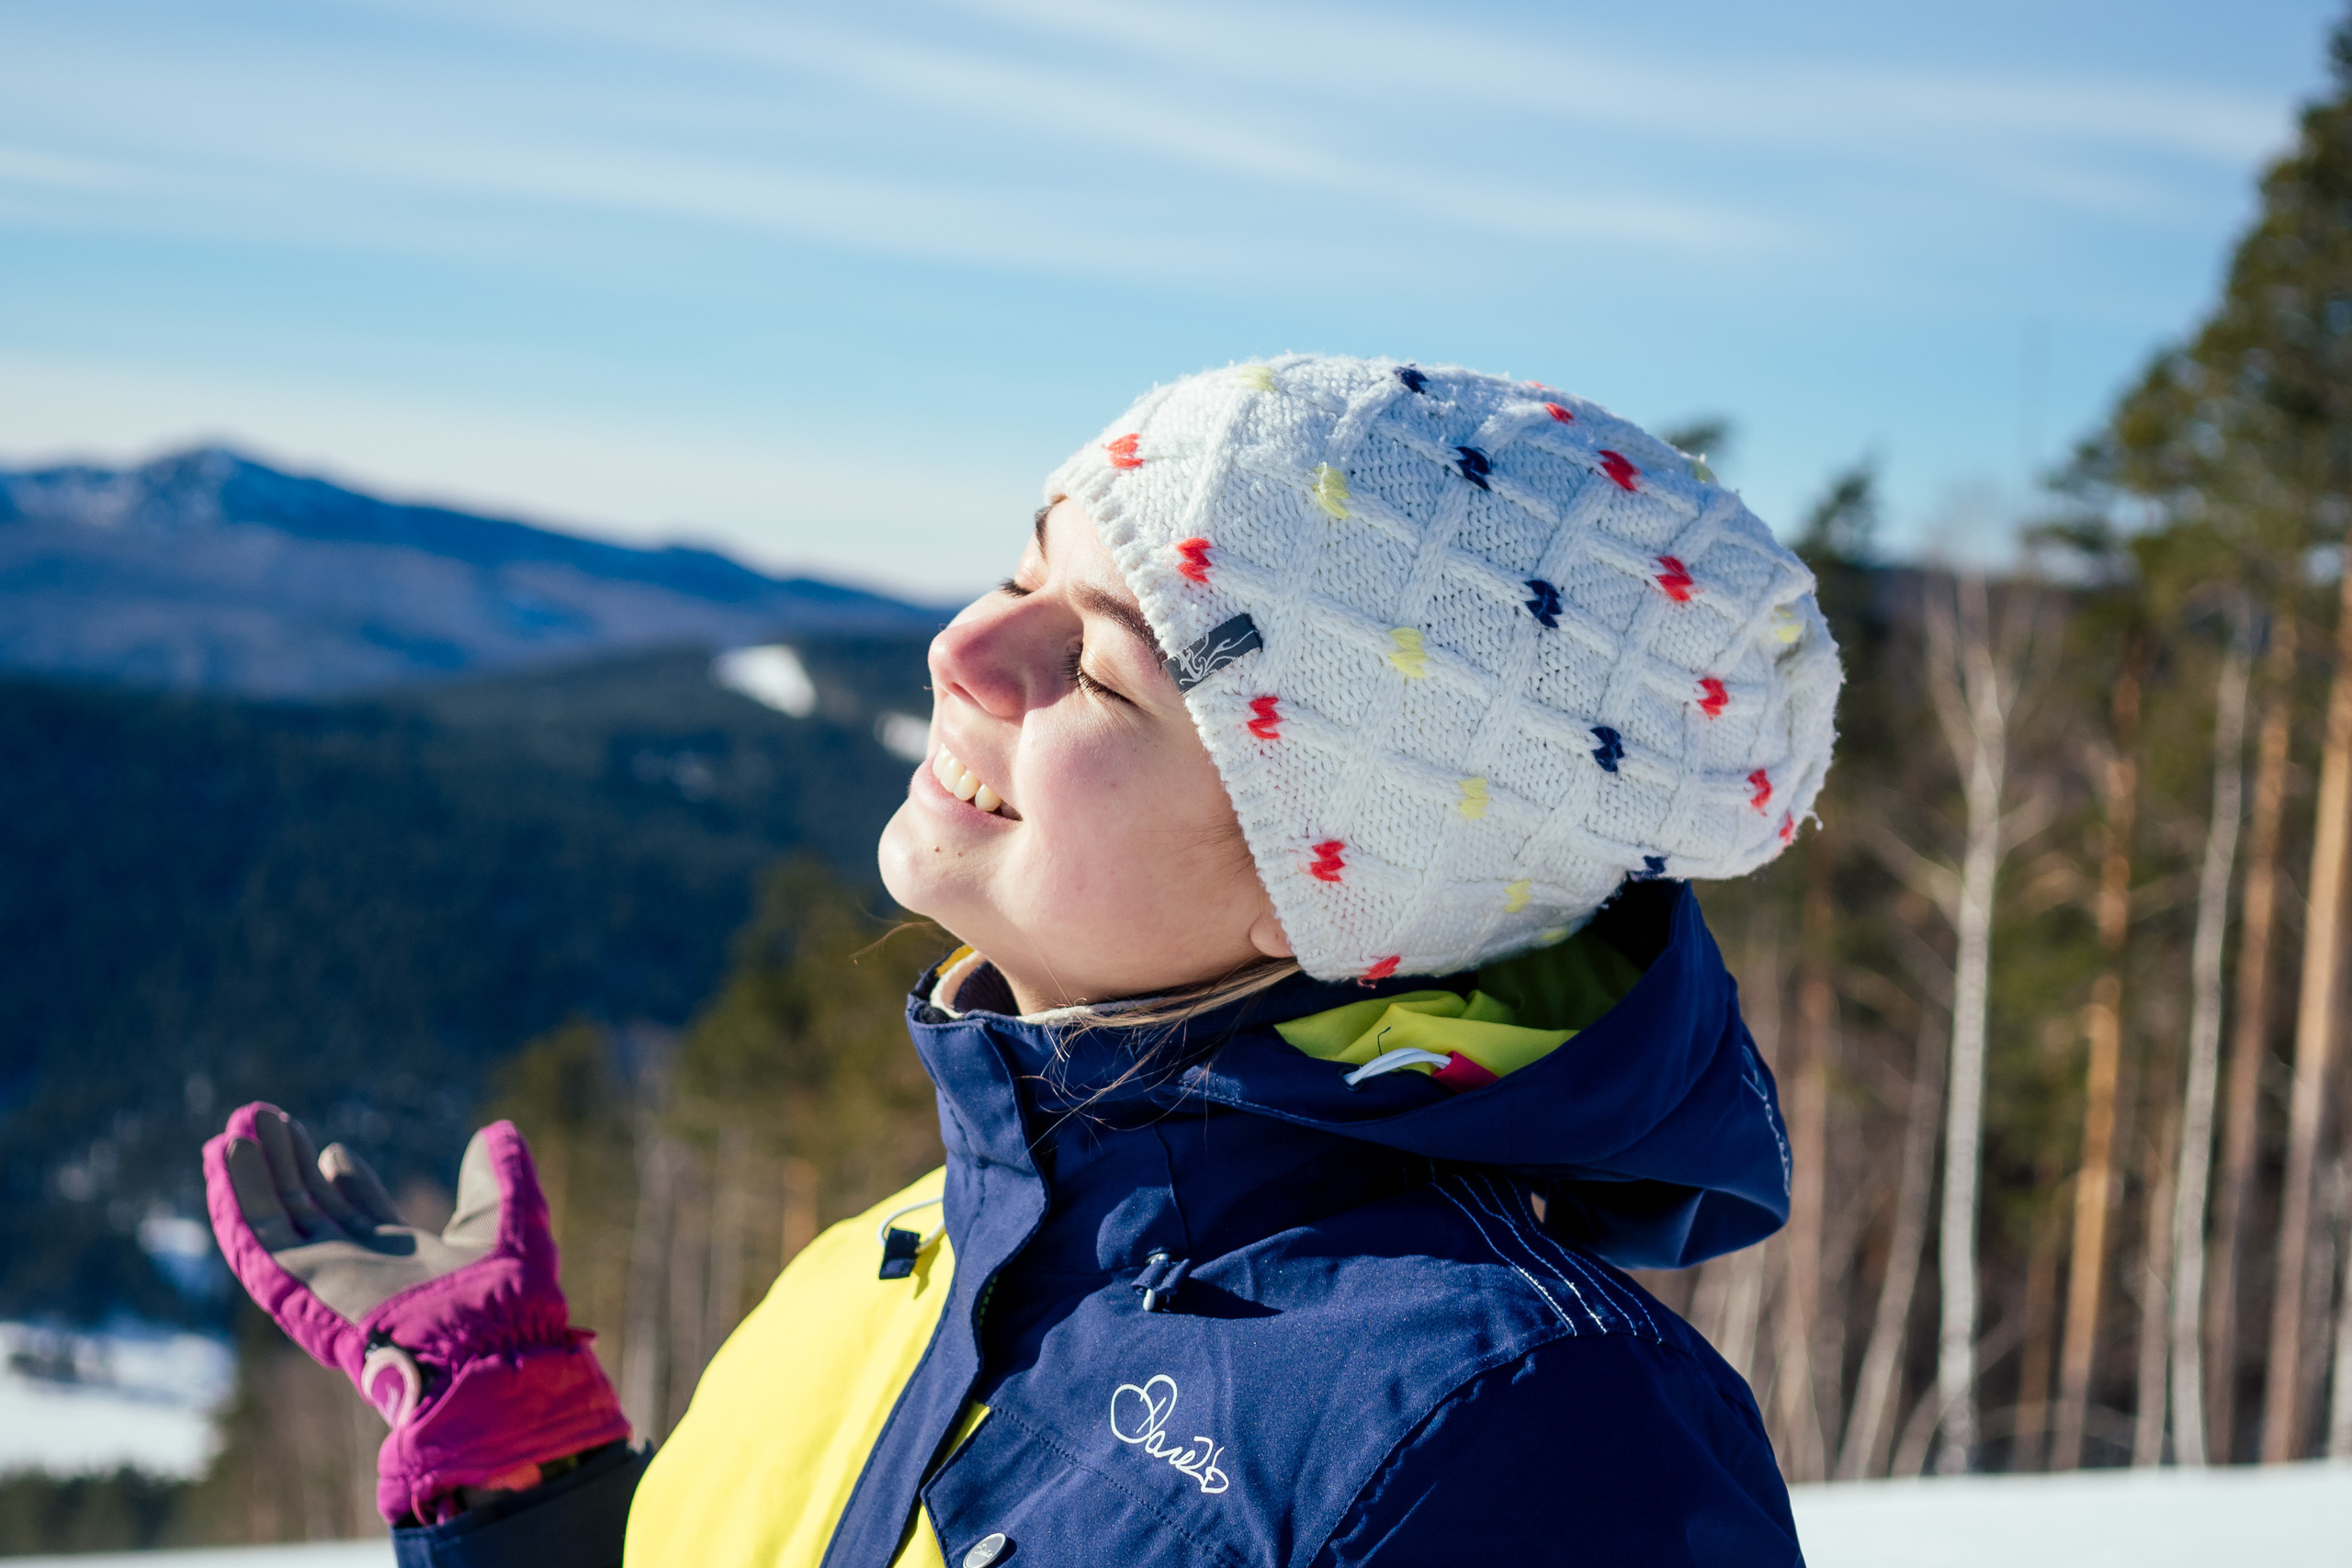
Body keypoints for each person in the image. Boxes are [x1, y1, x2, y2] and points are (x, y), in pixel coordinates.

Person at [205, 355, 1841, 1567]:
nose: (962, 650)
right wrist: (530, 1486)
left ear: (1340, 893)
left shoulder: (1527, 1439)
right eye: (1017, 575)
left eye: (1101, 672)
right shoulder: (897, 1259)